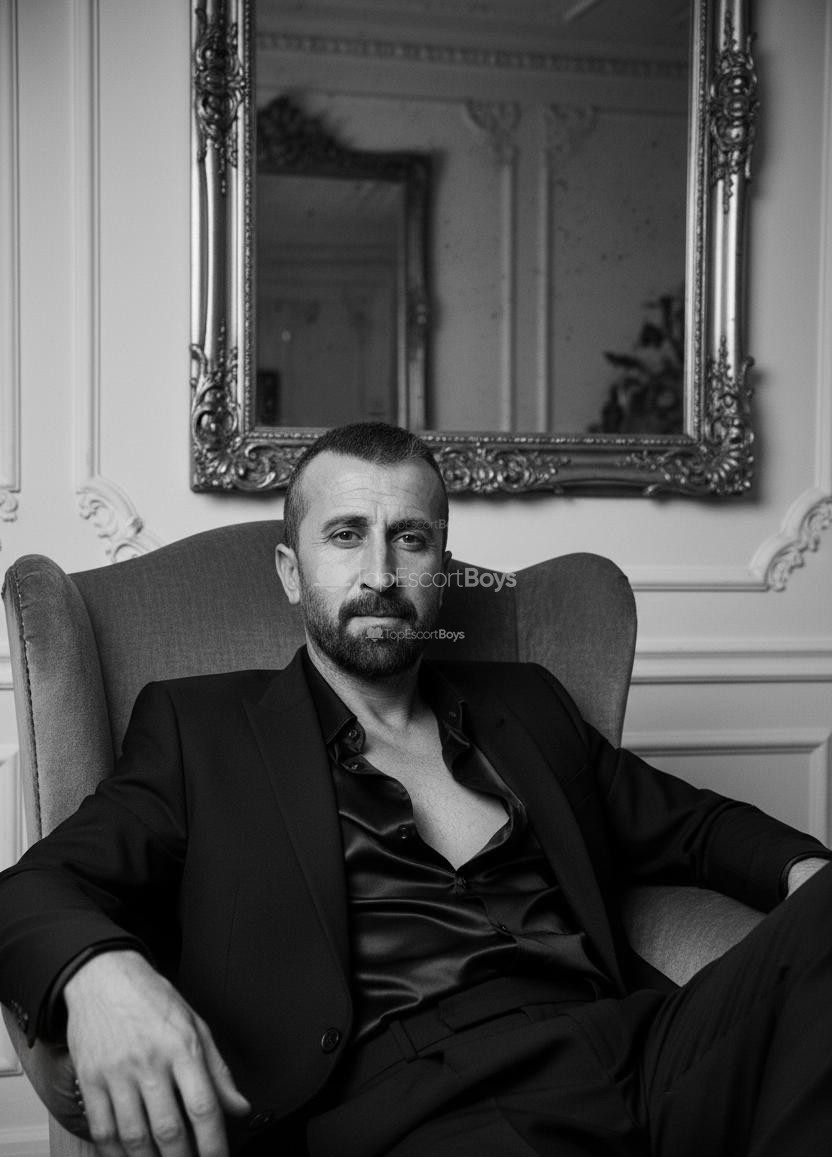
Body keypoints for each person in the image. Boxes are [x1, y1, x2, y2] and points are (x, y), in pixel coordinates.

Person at [0, 421, 830, 1157]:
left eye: (410, 538)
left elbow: (696, 826)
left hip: (640, 1052)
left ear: (441, 566)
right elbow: (33, 887)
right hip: (419, 1097)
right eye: (346, 535)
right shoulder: (202, 730)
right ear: (291, 570)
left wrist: (805, 873)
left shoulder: (529, 707)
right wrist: (98, 972)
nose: (380, 572)